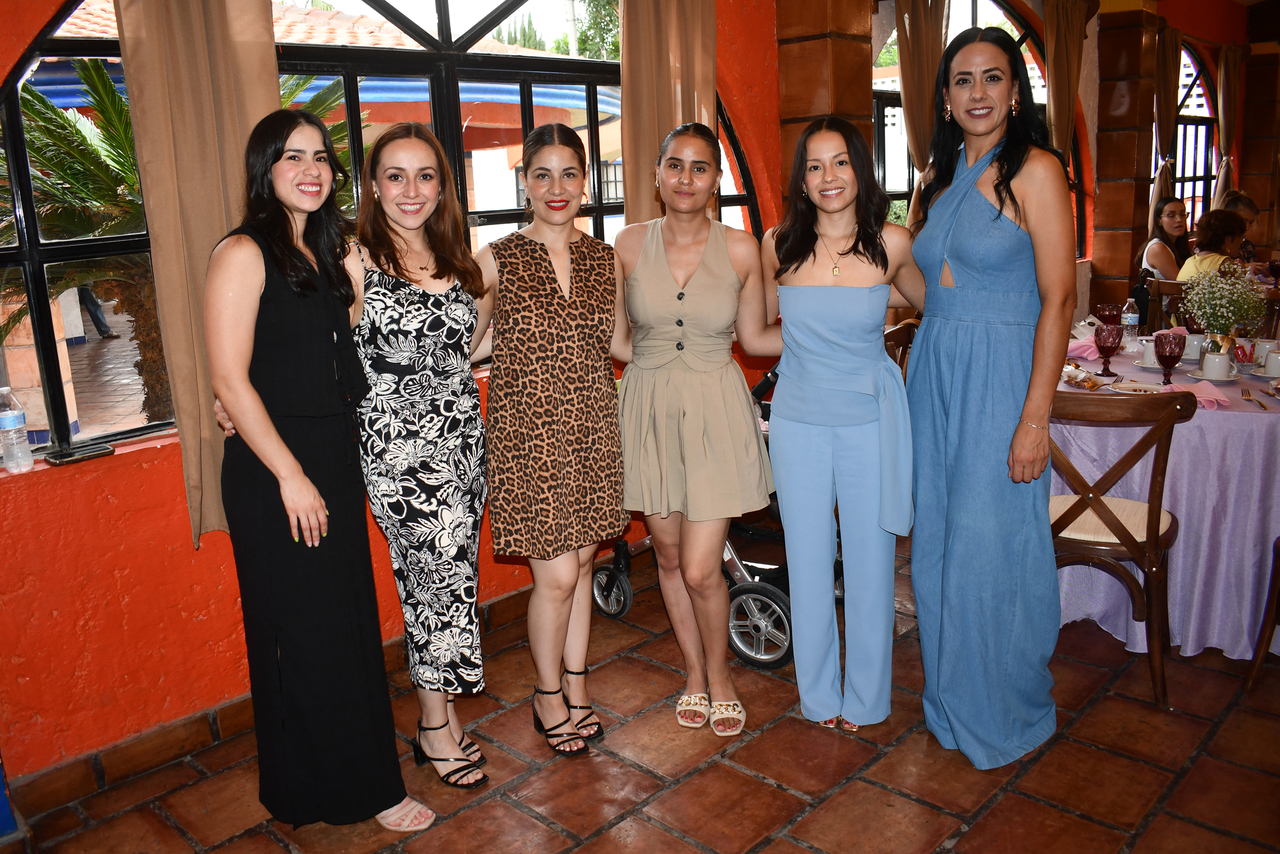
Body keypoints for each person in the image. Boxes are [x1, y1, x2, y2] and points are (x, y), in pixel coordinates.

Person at [205, 109, 432, 831]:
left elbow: (334, 352)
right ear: (265, 169)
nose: (311, 170)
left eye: (320, 157)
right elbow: (229, 379)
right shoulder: (242, 252)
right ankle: (358, 792)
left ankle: (334, 786)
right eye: (292, 157)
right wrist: (289, 476)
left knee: (344, 629)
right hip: (278, 471)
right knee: (304, 635)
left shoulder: (327, 253)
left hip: (331, 455)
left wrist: (356, 281)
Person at [905, 27, 1077, 770]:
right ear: (944, 97)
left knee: (993, 544)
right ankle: (950, 698)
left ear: (1014, 91)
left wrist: (1035, 417)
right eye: (962, 79)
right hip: (935, 371)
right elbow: (931, 292)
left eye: (993, 77)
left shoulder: (1036, 169)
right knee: (939, 541)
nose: (978, 92)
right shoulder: (936, 180)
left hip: (1004, 376)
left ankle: (1002, 705)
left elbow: (1060, 298)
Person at [613, 122, 778, 737]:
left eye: (700, 167)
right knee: (669, 556)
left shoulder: (742, 249)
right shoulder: (628, 244)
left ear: (715, 180)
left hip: (716, 410)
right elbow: (616, 340)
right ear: (657, 175)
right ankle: (693, 674)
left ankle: (722, 675)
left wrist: (839, 324)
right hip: (650, 409)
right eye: (675, 165)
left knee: (703, 568)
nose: (686, 178)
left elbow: (756, 338)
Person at [761, 118, 924, 733]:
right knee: (805, 562)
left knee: (871, 564)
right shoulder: (777, 245)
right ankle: (818, 698)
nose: (828, 177)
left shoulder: (892, 243)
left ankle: (867, 701)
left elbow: (937, 306)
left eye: (840, 162)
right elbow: (759, 332)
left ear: (860, 169)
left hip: (869, 423)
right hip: (797, 421)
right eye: (814, 165)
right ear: (801, 179)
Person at [476, 124, 630, 756]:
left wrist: (696, 333)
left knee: (584, 565)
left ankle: (577, 685)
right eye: (543, 175)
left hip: (593, 430)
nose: (556, 187)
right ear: (525, 183)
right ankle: (546, 697)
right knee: (559, 576)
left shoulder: (604, 259)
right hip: (528, 438)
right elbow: (462, 344)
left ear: (585, 181)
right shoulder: (496, 258)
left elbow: (620, 343)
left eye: (569, 174)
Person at [348, 123, 492, 789]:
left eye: (425, 175)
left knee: (447, 582)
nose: (412, 190)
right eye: (396, 176)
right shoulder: (354, 261)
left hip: (463, 444)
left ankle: (445, 717)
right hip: (401, 456)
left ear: (442, 186)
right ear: (374, 187)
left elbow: (464, 352)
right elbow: (319, 349)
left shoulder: (456, 258)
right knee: (433, 582)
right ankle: (433, 725)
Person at [1177, 209, 1247, 280]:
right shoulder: (1225, 264)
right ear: (1228, 239)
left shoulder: (1189, 262)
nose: (1242, 241)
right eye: (1241, 236)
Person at [1134, 197, 1190, 281]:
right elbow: (1180, 283)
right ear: (1159, 221)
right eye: (1171, 216)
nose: (1179, 220)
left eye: (1182, 214)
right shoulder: (1158, 248)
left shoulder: (1178, 244)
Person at [1219, 190, 1260, 265]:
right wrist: (1245, 267)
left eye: (1250, 222)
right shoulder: (1215, 245)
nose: (1247, 227)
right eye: (1244, 220)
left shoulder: (1247, 246)